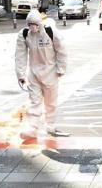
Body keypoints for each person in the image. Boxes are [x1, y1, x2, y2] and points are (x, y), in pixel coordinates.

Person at [16, 10, 68, 139]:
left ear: (40, 23)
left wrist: (61, 68)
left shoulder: (51, 32)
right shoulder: (24, 34)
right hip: (34, 74)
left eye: (35, 24)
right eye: (30, 24)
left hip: (51, 73)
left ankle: (50, 125)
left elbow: (61, 50)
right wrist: (21, 74)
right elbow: (20, 55)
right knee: (34, 101)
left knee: (51, 102)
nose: (32, 27)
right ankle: (32, 128)